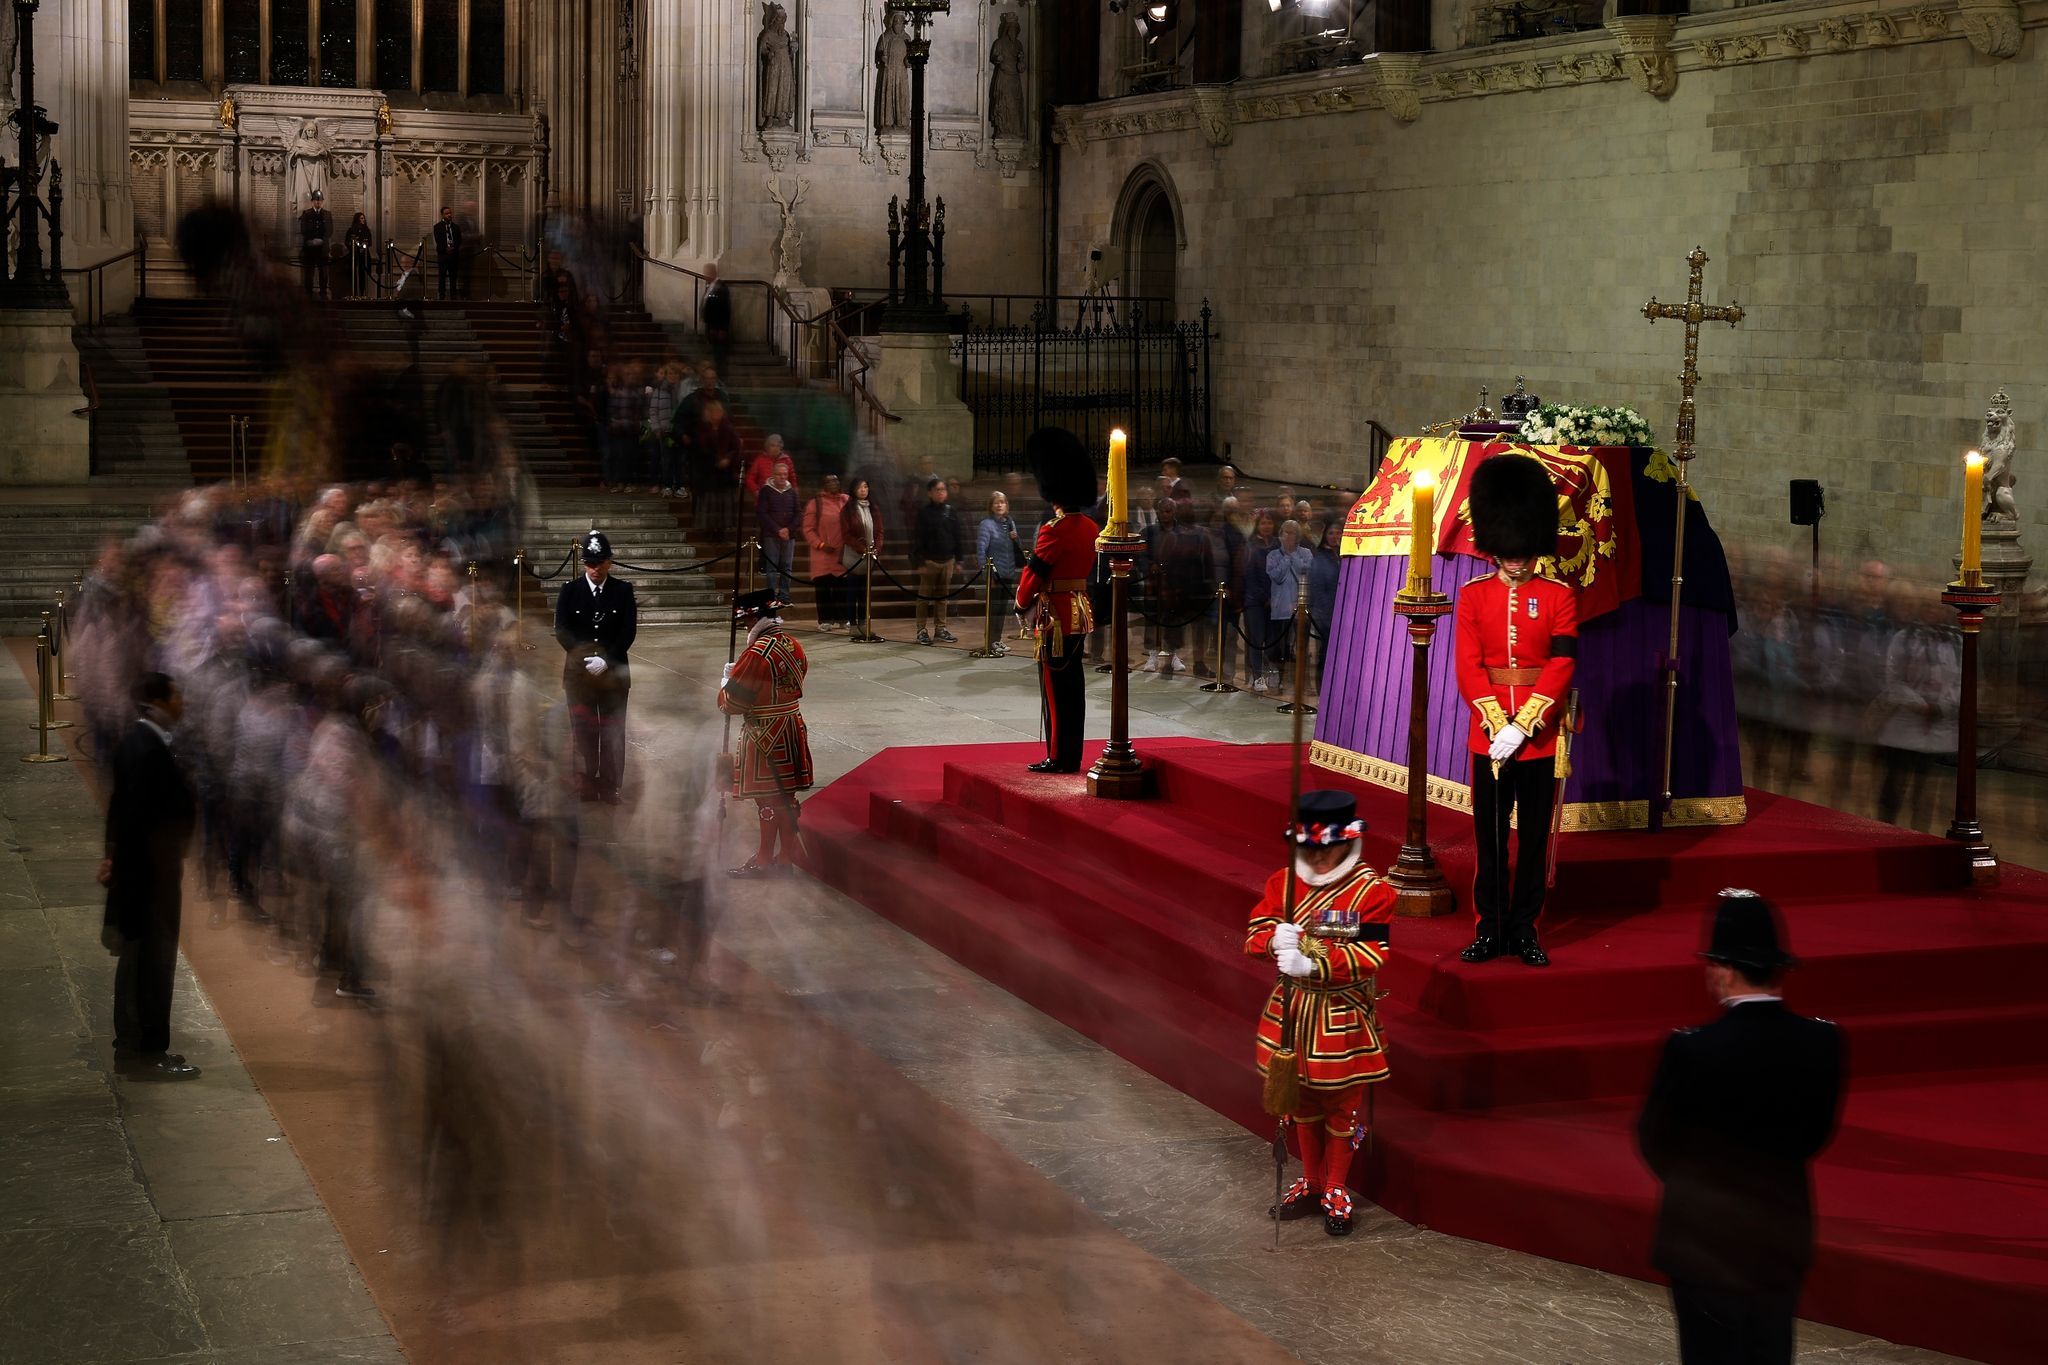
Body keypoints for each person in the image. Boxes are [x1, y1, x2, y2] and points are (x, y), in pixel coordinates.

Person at [1638, 890, 1846, 1365]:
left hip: (1701, 1242)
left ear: (1724, 968)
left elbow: (1655, 1140)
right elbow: (1814, 1135)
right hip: (1780, 1236)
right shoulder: (1824, 1042)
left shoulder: (1691, 1048)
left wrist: (1700, 1189)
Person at [1243, 790, 1395, 1237]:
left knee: (1340, 1105)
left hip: (1340, 1011)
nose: (1321, 859)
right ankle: (1310, 1181)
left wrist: (1316, 963)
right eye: (1312, 850)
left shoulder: (1373, 891)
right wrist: (1273, 941)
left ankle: (1336, 1187)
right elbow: (1255, 930)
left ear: (1347, 844)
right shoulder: (1282, 883)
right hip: (1292, 1010)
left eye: (1328, 850)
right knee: (1299, 1102)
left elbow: (1374, 951)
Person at [1454, 453, 1577, 969]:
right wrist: (1495, 722)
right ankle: (1492, 927)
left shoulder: (1559, 596)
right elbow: (1468, 665)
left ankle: (1525, 926)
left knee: (1530, 842)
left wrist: (1525, 724)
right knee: (1489, 838)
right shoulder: (1472, 596)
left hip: (1540, 739)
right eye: (1510, 550)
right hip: (1489, 737)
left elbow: (1561, 664)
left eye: (1525, 550)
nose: (1518, 559)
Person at [99, 673, 200, 1080]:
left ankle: (133, 1045)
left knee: (141, 961)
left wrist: (112, 857)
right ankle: (146, 1052)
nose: (183, 702)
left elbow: (119, 809)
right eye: (177, 695)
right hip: (149, 878)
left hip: (145, 873)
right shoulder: (145, 748)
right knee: (151, 965)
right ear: (158, 701)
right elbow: (137, 817)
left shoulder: (144, 743)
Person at [1015, 426, 1100, 773]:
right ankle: (1070, 753)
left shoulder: (1055, 530)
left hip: (1056, 616)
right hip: (1079, 610)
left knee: (1055, 687)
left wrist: (1021, 604)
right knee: (1073, 685)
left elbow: (1034, 574)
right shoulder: (1091, 528)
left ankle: (1059, 756)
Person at [720, 588, 813, 877]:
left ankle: (763, 859)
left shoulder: (756, 653)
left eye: (746, 621)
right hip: (791, 726)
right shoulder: (793, 644)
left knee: (768, 800)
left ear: (754, 620)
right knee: (787, 797)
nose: (746, 626)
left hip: (764, 734)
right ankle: (785, 858)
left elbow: (732, 704)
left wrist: (726, 683)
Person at [553, 530, 637, 804]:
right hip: (580, 676)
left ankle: (610, 785)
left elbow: (627, 631)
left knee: (613, 732)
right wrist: (585, 657)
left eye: (600, 562)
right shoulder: (570, 591)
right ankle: (587, 783)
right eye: (590, 563)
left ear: (609, 562)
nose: (595, 568)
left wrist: (607, 659)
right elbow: (563, 630)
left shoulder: (623, 591)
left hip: (613, 675)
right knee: (584, 732)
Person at [911, 476, 964, 646]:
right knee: (923, 598)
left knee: (943, 597)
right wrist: (918, 563)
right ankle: (921, 630)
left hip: (947, 560)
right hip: (929, 562)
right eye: (938, 490)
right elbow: (918, 539)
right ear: (930, 493)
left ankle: (941, 628)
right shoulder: (924, 513)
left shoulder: (951, 511)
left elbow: (957, 537)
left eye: (943, 490)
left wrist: (959, 560)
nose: (941, 493)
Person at [804, 473, 849, 631]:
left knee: (842, 588)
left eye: (836, 480)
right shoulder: (815, 503)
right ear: (823, 484)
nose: (833, 483)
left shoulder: (846, 500)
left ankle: (844, 618)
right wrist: (821, 544)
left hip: (841, 553)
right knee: (823, 589)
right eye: (829, 481)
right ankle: (825, 619)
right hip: (822, 554)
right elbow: (808, 529)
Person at [977, 490, 1025, 639]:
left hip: (1008, 572)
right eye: (996, 502)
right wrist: (987, 574)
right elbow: (981, 550)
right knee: (993, 609)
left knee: (1002, 609)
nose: (999, 505)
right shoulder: (986, 525)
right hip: (995, 575)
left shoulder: (1010, 523)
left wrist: (1016, 538)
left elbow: (1018, 548)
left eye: (1002, 502)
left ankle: (997, 640)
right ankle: (990, 641)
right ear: (991, 506)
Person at [840, 477, 883, 636]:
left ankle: (864, 623)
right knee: (853, 591)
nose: (863, 490)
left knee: (865, 592)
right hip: (854, 554)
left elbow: (879, 532)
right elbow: (846, 535)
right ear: (853, 490)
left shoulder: (874, 508)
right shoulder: (847, 510)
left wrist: (876, 549)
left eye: (865, 487)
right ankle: (852, 624)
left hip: (870, 555)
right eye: (860, 487)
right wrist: (861, 548)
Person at [1242, 509, 1279, 693]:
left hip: (1275, 601)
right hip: (1255, 601)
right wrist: (1265, 598)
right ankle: (1257, 676)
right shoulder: (1250, 546)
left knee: (1273, 640)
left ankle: (1269, 671)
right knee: (1256, 640)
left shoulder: (1277, 545)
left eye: (1269, 523)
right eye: (1263, 523)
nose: (1266, 526)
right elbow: (1250, 576)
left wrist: (1275, 597)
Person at [756, 456, 801, 599]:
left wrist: (789, 529)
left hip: (789, 535)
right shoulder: (766, 491)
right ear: (773, 475)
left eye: (784, 474)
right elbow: (762, 513)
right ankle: (771, 597)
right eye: (779, 474)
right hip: (771, 535)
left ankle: (784, 595)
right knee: (772, 567)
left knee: (787, 566)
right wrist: (777, 530)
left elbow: (798, 513)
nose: (782, 477)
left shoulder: (792, 492)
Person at [298, 189, 331, 297]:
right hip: (310, 248)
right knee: (309, 272)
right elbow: (304, 229)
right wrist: (312, 241)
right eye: (316, 200)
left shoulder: (327, 214)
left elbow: (329, 230)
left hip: (322, 248)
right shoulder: (306, 214)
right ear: (312, 201)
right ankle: (308, 294)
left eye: (320, 200)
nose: (318, 202)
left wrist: (321, 240)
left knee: (323, 273)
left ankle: (323, 292)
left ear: (323, 201)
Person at [702, 264, 732, 374]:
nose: (704, 275)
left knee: (719, 355)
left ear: (713, 273)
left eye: (707, 273)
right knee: (714, 354)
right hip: (712, 327)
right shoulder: (710, 286)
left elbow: (724, 309)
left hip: (717, 328)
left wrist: (722, 328)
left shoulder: (721, 287)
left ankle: (721, 376)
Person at [433, 206, 463, 300]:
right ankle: (442, 294)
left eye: (450, 213)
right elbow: (438, 241)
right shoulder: (437, 227)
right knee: (442, 276)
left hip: (454, 255)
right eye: (446, 213)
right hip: (443, 255)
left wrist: (453, 248)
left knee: (453, 276)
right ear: (442, 215)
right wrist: (446, 249)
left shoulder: (456, 227)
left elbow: (459, 240)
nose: (449, 215)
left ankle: (453, 295)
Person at [344, 212, 374, 298]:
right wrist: (354, 246)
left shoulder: (366, 230)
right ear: (357, 219)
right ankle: (353, 293)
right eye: (361, 218)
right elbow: (347, 242)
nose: (363, 220)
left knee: (362, 275)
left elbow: (370, 242)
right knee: (353, 274)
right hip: (354, 255)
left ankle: (362, 293)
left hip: (364, 255)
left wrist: (364, 245)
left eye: (363, 218)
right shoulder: (351, 230)